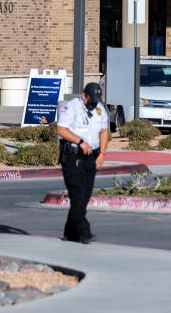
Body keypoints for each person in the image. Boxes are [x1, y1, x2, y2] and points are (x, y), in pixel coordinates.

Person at [56, 82, 109, 244]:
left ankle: (70, 232)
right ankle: (84, 232)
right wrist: (80, 141)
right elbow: (61, 130)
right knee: (77, 195)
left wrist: (102, 154)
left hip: (90, 157)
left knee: (84, 197)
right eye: (91, 101)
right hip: (73, 157)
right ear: (83, 96)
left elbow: (104, 131)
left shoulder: (100, 109)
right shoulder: (71, 107)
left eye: (96, 101)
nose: (94, 105)